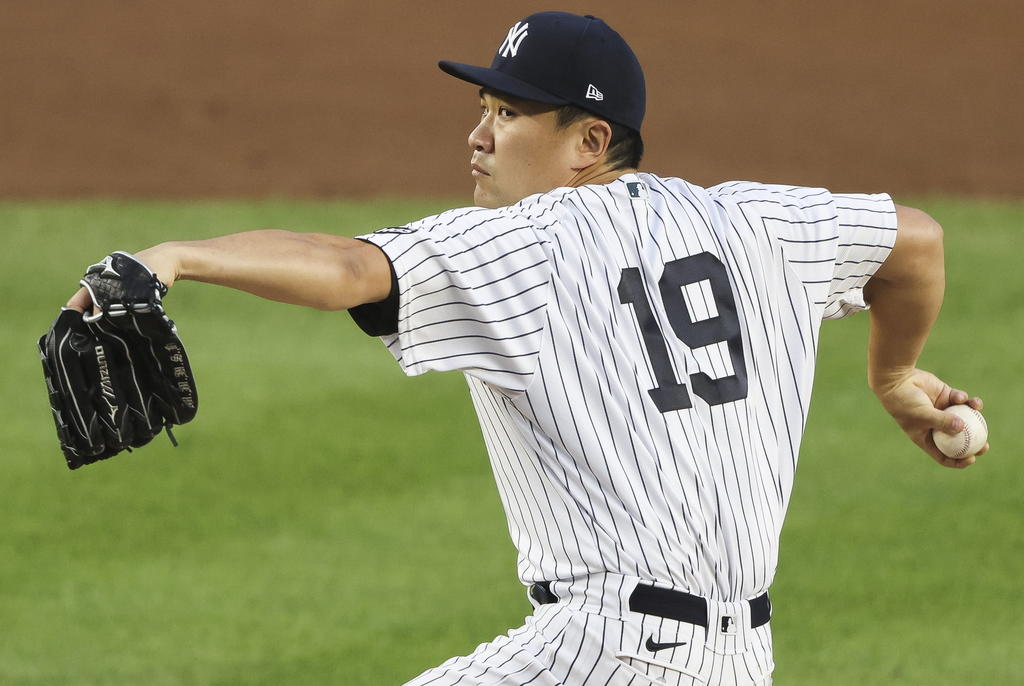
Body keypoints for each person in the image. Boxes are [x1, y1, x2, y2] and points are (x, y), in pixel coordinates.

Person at [66, 11, 987, 686]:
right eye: (484, 107)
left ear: (590, 141)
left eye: (508, 114)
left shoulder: (527, 244)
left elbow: (347, 268)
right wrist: (895, 375)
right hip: (741, 662)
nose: (477, 136)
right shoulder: (754, 222)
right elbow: (914, 241)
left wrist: (174, 257)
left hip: (604, 654)